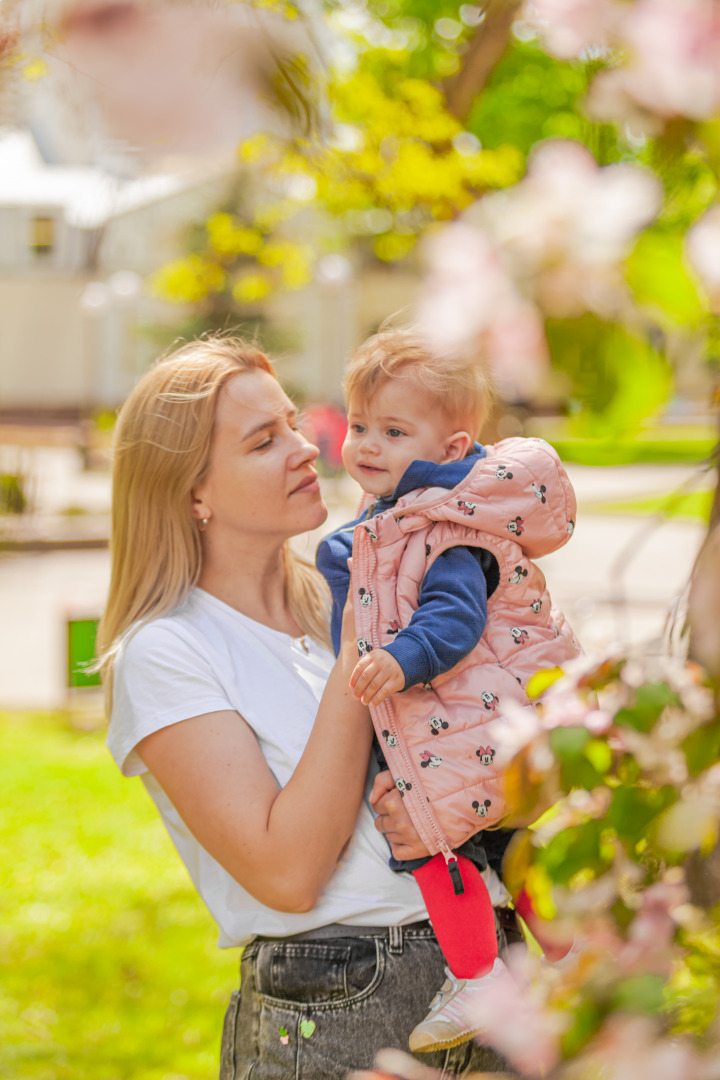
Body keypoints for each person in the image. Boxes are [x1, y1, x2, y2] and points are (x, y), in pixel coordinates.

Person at [98, 335, 518, 1080]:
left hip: (494, 972)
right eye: (264, 441)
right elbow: (288, 873)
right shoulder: (167, 651)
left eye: (293, 422)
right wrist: (361, 651)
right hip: (342, 1005)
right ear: (192, 492)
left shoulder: (358, 583)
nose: (304, 447)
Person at [316, 328, 580, 1053]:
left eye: (394, 431)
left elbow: (454, 615)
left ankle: (529, 961)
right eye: (361, 425)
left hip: (462, 716)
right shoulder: (379, 529)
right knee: (446, 841)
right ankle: (500, 969)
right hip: (427, 723)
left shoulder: (449, 531)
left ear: (455, 448)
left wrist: (403, 660)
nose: (368, 444)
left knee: (470, 837)